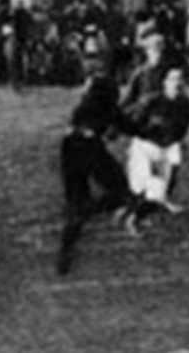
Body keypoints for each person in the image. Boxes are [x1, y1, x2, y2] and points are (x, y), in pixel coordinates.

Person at [55, 72, 143, 275]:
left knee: (75, 203)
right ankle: (92, 209)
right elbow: (128, 126)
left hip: (69, 148)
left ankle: (66, 249)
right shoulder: (107, 106)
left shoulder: (82, 107)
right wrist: (147, 131)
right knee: (120, 190)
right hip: (90, 148)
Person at [123, 67, 189, 220]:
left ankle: (154, 205)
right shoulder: (151, 101)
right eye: (173, 79)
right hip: (146, 145)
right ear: (165, 83)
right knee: (142, 186)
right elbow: (131, 121)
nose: (177, 83)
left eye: (180, 79)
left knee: (165, 184)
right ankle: (130, 212)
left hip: (169, 146)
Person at [120, 33, 167, 111]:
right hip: (143, 108)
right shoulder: (140, 72)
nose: (158, 55)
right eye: (155, 51)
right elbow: (128, 95)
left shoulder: (167, 71)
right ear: (147, 52)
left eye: (161, 52)